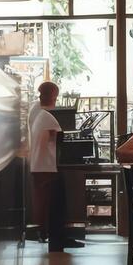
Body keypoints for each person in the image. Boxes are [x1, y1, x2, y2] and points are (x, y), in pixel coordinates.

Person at [29, 81, 80, 251]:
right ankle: (55, 237)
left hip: (38, 163)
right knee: (52, 204)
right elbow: (61, 140)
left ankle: (50, 234)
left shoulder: (35, 111)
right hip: (47, 165)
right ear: (54, 95)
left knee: (45, 202)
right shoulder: (48, 116)